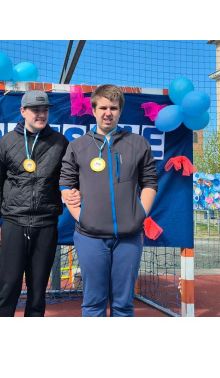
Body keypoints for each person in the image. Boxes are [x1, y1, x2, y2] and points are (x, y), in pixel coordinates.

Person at [60, 84, 158, 317]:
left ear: (120, 111)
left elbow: (150, 182)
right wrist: (82, 216)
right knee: (93, 303)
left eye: (113, 108)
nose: (108, 113)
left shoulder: (138, 143)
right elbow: (65, 182)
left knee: (123, 304)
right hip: (90, 236)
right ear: (94, 110)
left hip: (129, 237)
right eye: (103, 107)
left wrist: (140, 214)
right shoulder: (78, 145)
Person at [0, 90, 81, 317]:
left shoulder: (60, 142)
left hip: (46, 224)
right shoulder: (6, 142)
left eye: (45, 110)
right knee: (8, 287)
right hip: (14, 222)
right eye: (35, 110)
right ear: (23, 111)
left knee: (38, 291)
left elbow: (71, 178)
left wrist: (75, 191)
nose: (41, 114)